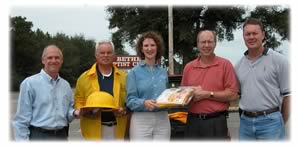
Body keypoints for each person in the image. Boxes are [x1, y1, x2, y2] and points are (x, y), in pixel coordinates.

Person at [235, 18, 290, 140]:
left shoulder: (279, 61)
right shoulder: (238, 65)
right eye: (247, 34)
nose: (251, 37)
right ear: (243, 37)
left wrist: (280, 121)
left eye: (255, 33)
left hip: (271, 123)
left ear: (263, 35)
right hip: (245, 125)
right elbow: (239, 95)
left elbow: (288, 96)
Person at [181, 29, 239, 140]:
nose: (206, 45)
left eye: (210, 41)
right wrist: (190, 95)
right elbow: (183, 97)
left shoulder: (225, 65)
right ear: (197, 44)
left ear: (215, 43)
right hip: (193, 122)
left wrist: (208, 94)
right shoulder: (189, 67)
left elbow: (233, 95)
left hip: (216, 122)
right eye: (203, 42)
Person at [12, 45, 78, 141]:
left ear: (61, 61)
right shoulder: (29, 83)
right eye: (50, 58)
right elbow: (21, 120)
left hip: (62, 136)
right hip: (39, 136)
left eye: (57, 58)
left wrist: (75, 113)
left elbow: (68, 114)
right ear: (43, 60)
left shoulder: (66, 85)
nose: (54, 61)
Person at [74, 40, 128, 140]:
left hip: (117, 129)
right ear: (96, 55)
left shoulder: (124, 77)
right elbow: (79, 100)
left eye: (109, 52)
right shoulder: (84, 78)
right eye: (102, 53)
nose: (105, 55)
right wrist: (84, 110)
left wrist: (124, 110)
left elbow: (128, 101)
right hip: (92, 129)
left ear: (114, 55)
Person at [126, 31, 171, 140]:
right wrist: (144, 103)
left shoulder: (163, 72)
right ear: (141, 49)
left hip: (162, 118)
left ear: (157, 47)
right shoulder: (133, 73)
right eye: (146, 45)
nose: (149, 48)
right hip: (141, 120)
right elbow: (130, 100)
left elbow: (168, 95)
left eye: (152, 45)